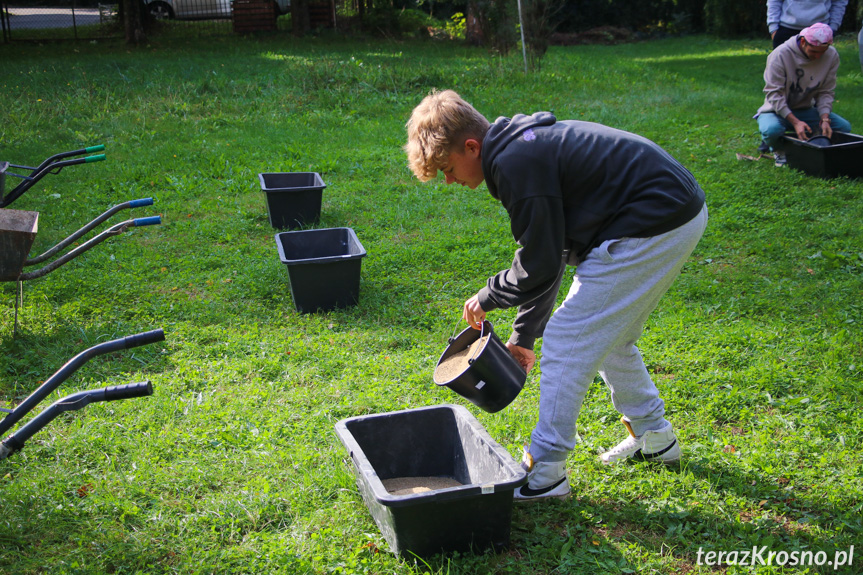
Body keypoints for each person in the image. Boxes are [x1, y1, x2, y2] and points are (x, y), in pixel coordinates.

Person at [405, 90, 708, 501]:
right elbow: (553, 250)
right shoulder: (516, 152)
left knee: (568, 336)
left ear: (471, 147)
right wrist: (524, 335)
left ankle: (545, 471)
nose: (449, 180)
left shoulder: (515, 164)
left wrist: (489, 295)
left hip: (653, 220)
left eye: (447, 167)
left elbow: (539, 263)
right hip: (673, 212)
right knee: (610, 334)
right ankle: (655, 436)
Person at [755, 23, 852, 167]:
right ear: (802, 42)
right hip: (775, 110)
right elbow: (774, 94)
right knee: (772, 130)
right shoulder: (780, 54)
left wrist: (825, 118)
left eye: (822, 52)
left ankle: (812, 144)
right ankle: (780, 150)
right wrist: (795, 122)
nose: (818, 56)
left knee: (843, 128)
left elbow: (826, 91)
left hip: (805, 109)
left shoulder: (831, 55)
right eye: (813, 51)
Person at [767, 0, 848, 48]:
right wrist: (773, 28)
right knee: (783, 73)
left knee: (816, 73)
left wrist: (833, 27)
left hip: (820, 31)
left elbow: (839, 2)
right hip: (786, 29)